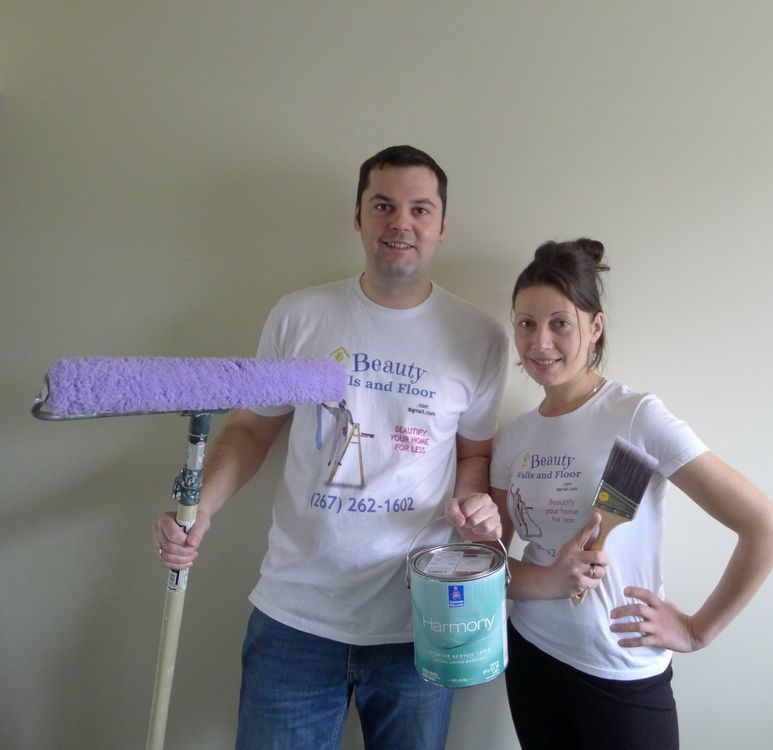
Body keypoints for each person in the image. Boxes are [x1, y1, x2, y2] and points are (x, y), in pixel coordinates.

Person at [153, 145, 509, 750]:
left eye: (420, 209)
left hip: (419, 621)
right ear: (359, 217)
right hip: (295, 619)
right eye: (384, 205)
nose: (402, 223)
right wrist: (202, 509)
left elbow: (475, 453)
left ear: (442, 226)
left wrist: (475, 502)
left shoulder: (478, 337)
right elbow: (251, 429)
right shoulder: (300, 317)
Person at [489, 238, 773, 750]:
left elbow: (769, 529)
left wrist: (697, 631)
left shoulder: (635, 416)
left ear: (595, 327)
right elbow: (490, 564)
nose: (540, 341)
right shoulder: (516, 436)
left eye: (560, 322)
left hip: (623, 673)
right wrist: (544, 578)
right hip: (532, 657)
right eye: (526, 323)